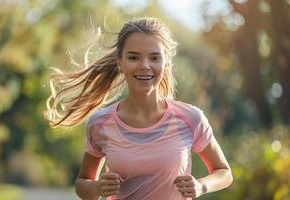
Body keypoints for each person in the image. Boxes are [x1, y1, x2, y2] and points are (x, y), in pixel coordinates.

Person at [45, 17, 233, 200]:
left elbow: (224, 172)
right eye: (134, 57)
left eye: (154, 57)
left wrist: (201, 186)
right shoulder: (100, 123)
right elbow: (82, 184)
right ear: (120, 62)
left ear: (165, 62)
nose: (144, 66)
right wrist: (98, 187)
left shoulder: (191, 118)